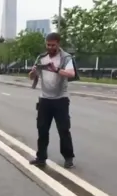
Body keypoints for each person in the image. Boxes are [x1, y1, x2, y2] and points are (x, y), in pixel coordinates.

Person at [28, 32, 77, 169]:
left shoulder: (66, 57)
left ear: (58, 44)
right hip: (45, 100)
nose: (50, 47)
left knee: (63, 129)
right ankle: (41, 157)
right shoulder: (41, 58)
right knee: (42, 129)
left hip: (61, 100)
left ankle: (68, 157)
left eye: (53, 45)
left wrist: (56, 69)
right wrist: (32, 72)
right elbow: (32, 77)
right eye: (48, 45)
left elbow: (71, 74)